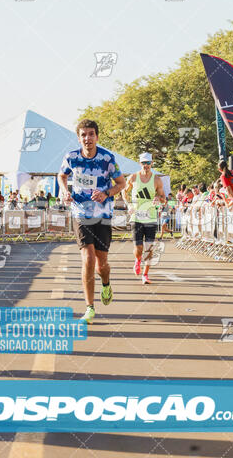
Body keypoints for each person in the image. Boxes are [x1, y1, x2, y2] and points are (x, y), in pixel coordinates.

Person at [58, 119, 125, 324]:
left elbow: (121, 183)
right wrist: (64, 190)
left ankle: (106, 283)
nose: (87, 138)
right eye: (83, 135)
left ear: (97, 136)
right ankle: (89, 308)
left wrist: (106, 193)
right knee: (88, 258)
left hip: (103, 215)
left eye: (91, 134)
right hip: (81, 213)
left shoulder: (107, 158)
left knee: (101, 264)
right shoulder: (71, 157)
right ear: (79, 138)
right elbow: (61, 175)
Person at [123, 153, 166, 284]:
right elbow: (124, 191)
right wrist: (128, 203)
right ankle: (137, 260)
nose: (146, 165)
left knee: (149, 247)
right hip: (136, 217)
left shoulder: (157, 180)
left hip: (150, 217)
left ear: (152, 163)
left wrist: (159, 198)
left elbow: (164, 198)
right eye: (143, 163)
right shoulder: (134, 177)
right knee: (139, 247)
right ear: (140, 163)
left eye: (148, 163)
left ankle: (145, 274)